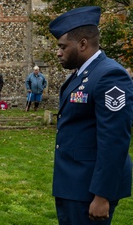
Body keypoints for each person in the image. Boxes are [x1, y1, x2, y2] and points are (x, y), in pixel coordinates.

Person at [49, 6, 133, 225]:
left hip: (89, 189)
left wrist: (102, 195)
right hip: (72, 183)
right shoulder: (82, 74)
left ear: (83, 44)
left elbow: (114, 139)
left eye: (62, 46)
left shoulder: (109, 75)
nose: (58, 52)